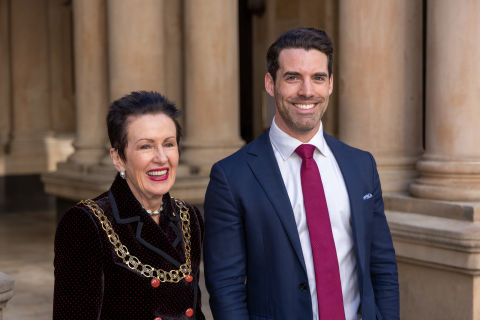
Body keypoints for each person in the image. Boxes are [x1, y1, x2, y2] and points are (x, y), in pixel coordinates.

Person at [204, 28, 399, 320]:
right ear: (271, 84)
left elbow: (381, 265)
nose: (307, 91)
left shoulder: (361, 165)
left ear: (330, 84)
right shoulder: (231, 177)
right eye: (293, 77)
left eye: (318, 78)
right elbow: (226, 287)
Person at [54, 91, 205, 320]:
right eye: (146, 146)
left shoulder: (189, 217)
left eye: (169, 144)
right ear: (118, 158)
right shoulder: (86, 223)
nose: (162, 158)